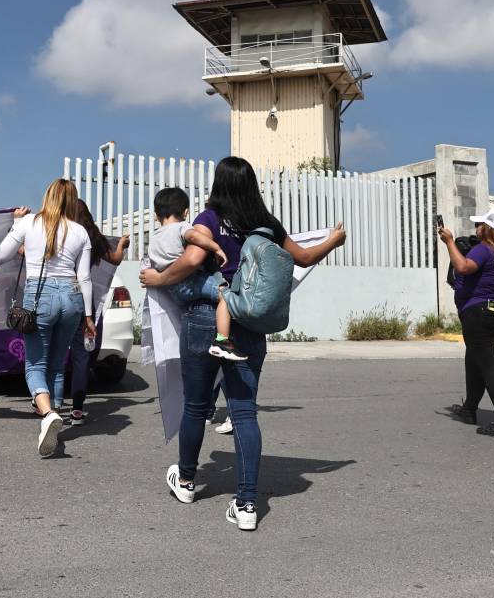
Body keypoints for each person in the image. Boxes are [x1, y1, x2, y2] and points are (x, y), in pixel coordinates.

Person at [140, 156, 346, 531]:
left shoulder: (210, 219)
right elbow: (301, 257)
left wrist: (159, 279)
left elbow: (192, 259)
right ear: (252, 185)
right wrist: (333, 239)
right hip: (250, 323)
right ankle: (247, 503)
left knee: (196, 404)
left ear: (218, 185)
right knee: (245, 411)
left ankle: (186, 481)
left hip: (205, 317)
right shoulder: (266, 224)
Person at [0, 179, 94, 457]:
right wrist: (88, 316)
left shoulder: (29, 222)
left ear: (47, 197)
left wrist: (16, 224)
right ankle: (54, 416)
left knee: (35, 365)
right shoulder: (80, 231)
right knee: (57, 363)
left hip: (41, 297)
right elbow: (85, 277)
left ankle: (48, 413)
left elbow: (2, 254)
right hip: (72, 298)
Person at [438, 208, 494, 438]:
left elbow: (463, 268)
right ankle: (469, 410)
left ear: (488, 228)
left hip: (480, 315)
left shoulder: (483, 249)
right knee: (474, 362)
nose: (476, 228)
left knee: (489, 369)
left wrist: (449, 241)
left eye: (479, 224)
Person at [147, 187, 242, 361]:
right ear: (185, 212)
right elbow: (195, 237)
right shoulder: (181, 227)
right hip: (189, 282)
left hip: (173, 290)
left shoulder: (153, 238)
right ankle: (222, 341)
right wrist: (216, 247)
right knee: (226, 295)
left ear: (155, 215)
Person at [63, 198, 129, 425]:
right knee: (82, 356)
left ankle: (49, 405)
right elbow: (116, 259)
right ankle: (78, 410)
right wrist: (121, 243)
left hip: (58, 296)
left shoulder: (57, 234)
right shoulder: (93, 238)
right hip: (84, 301)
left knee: (54, 352)